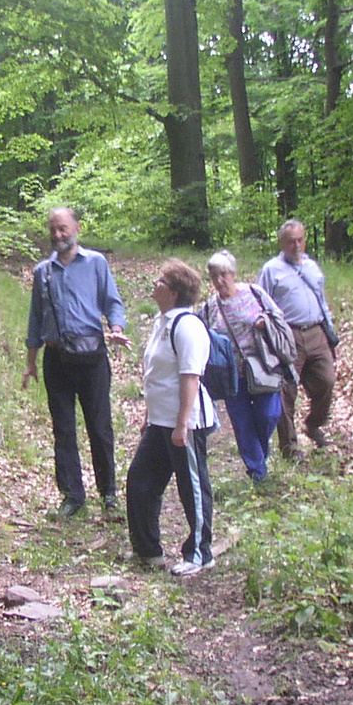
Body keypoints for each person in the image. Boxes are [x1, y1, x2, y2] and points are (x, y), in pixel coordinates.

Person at [23, 207, 130, 517]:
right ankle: (72, 495)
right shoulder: (43, 271)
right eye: (53, 229)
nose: (58, 235)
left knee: (99, 425)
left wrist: (116, 328)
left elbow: (113, 302)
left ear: (76, 228)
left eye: (63, 228)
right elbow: (34, 319)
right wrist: (31, 361)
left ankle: (108, 493)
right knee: (64, 429)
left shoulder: (96, 262)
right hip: (55, 357)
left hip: (92, 355)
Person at [127, 259, 218, 577]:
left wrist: (182, 424)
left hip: (186, 422)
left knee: (191, 485)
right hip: (160, 420)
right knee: (141, 482)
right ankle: (148, 551)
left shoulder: (188, 326)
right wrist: (150, 416)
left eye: (161, 281)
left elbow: (190, 377)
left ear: (176, 292)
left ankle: (199, 553)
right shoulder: (161, 322)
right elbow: (156, 375)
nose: (155, 284)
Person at [203, 251, 294, 483]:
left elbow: (278, 318)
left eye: (224, 274)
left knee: (268, 415)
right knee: (242, 423)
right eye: (215, 276)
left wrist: (265, 324)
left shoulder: (254, 293)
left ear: (233, 274)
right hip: (231, 374)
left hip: (263, 366)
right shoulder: (209, 307)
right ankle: (257, 471)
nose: (220, 281)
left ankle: (260, 454)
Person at [257, 219, 337, 458]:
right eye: (291, 241)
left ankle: (314, 425)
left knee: (326, 381)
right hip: (287, 335)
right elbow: (260, 302)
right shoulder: (271, 270)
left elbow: (321, 300)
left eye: (300, 240)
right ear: (282, 243)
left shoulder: (312, 267)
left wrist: (329, 331)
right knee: (285, 392)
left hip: (316, 332)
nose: (296, 245)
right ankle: (289, 447)